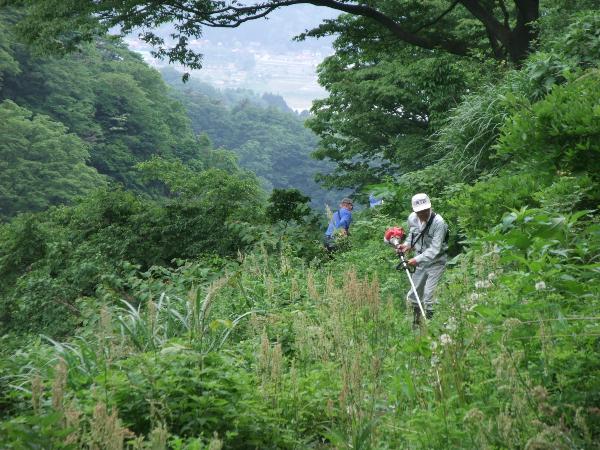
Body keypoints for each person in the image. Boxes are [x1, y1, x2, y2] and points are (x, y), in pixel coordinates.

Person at [397, 193, 448, 327]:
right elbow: (412, 236)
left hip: (436, 262)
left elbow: (435, 249)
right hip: (419, 262)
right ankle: (416, 324)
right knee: (414, 295)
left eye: (426, 210)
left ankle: (432, 325)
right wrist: (407, 246)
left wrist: (416, 259)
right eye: (420, 212)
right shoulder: (412, 219)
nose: (423, 214)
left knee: (428, 296)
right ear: (415, 211)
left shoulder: (439, 223)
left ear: (429, 208)